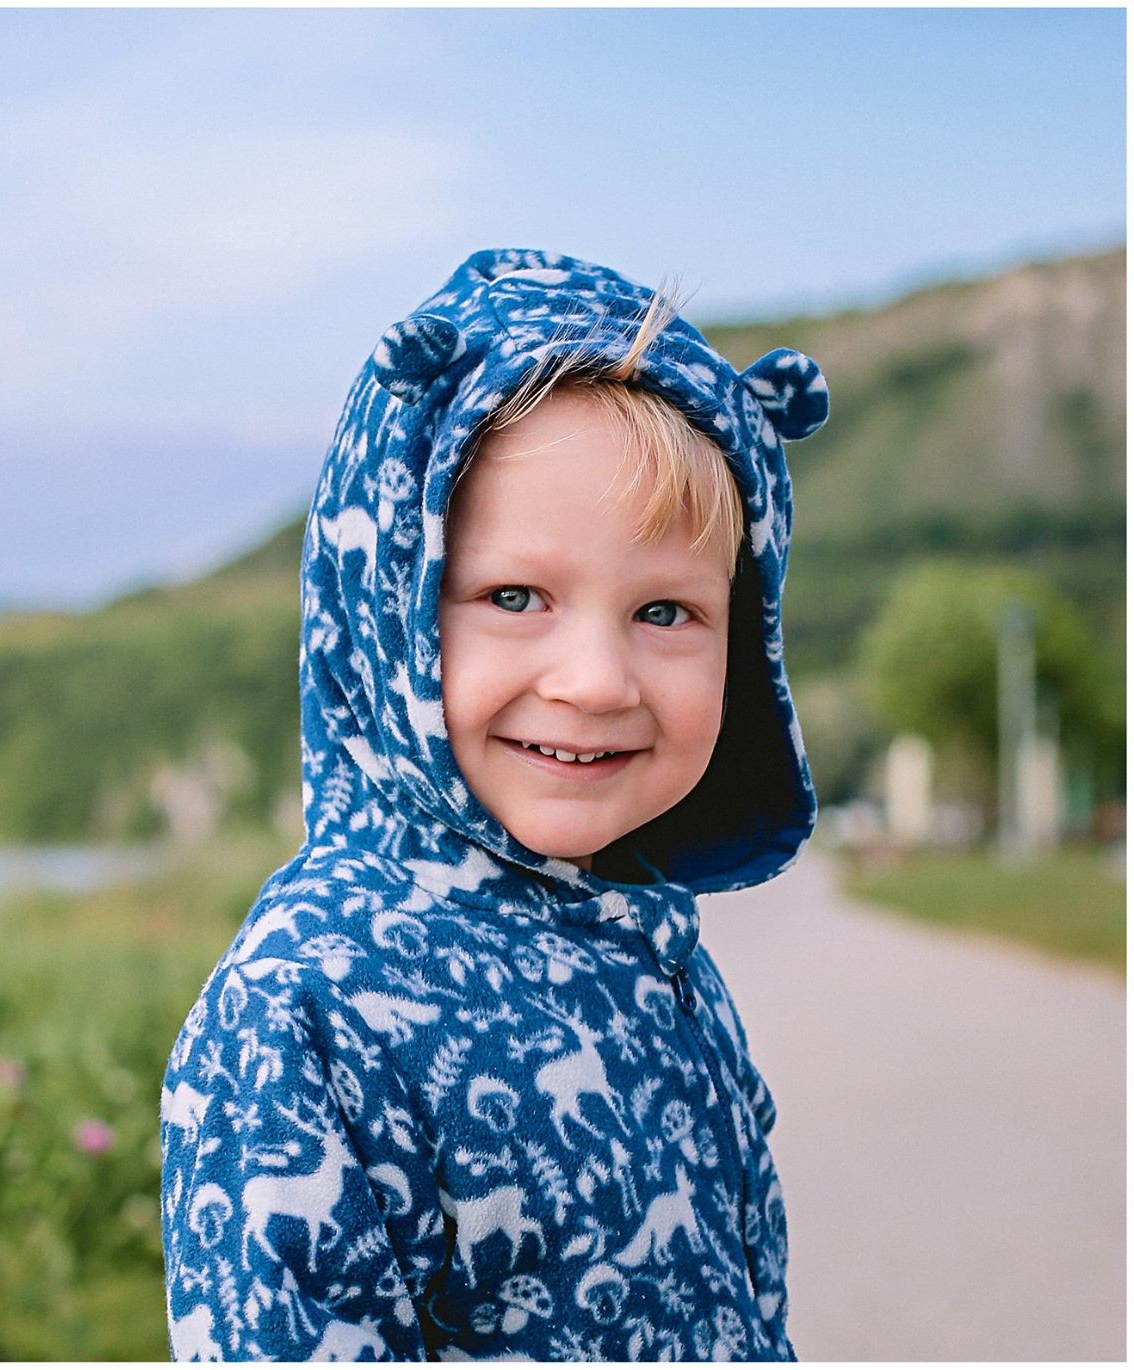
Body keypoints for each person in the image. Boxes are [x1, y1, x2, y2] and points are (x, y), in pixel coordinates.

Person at [157, 247, 830, 1361]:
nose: (597, 680)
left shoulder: (646, 946)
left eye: (664, 611)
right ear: (385, 612)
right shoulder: (307, 1011)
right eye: (512, 596)